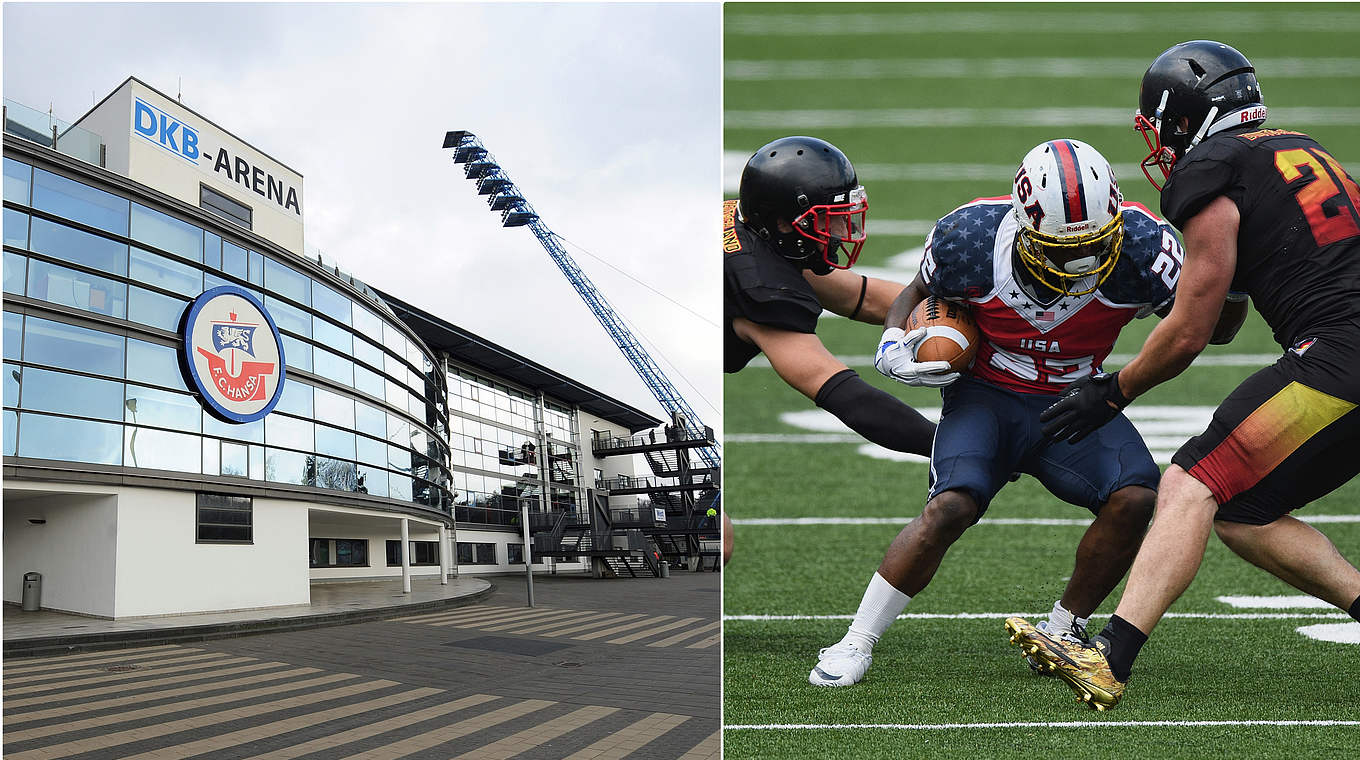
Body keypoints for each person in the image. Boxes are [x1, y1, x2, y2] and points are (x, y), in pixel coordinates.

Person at [811, 138, 1238, 689]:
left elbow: (1217, 329)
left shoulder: (1143, 244)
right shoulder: (969, 237)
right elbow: (920, 289)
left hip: (1077, 401)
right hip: (987, 396)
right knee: (950, 507)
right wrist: (896, 338)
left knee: (1135, 497)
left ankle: (1064, 628)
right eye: (1062, 249)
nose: (1080, 262)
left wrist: (1231, 278)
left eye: (1094, 244)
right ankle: (856, 640)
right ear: (1023, 225)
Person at [1011, 40, 1360, 711]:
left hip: (1340, 353)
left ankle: (1110, 657)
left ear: (1182, 117)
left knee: (1192, 479)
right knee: (1243, 512)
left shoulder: (1212, 167)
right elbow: (1225, 316)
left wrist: (1114, 391)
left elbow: (1195, 330)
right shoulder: (1301, 149)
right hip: (1346, 350)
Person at [724, 136, 939, 570]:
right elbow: (846, 396)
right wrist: (950, 445)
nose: (844, 230)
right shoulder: (761, 290)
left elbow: (861, 297)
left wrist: (975, 316)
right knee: (719, 540)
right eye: (830, 219)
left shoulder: (753, 230)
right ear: (785, 223)